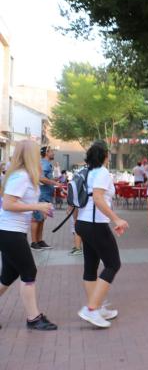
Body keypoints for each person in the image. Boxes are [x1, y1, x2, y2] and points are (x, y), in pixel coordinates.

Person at [0, 140, 58, 330]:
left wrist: (42, 207)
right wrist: (37, 206)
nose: (39, 155)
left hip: (13, 231)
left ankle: (34, 318)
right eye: (36, 152)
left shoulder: (24, 175)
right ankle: (33, 318)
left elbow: (15, 202)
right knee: (28, 271)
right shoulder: (21, 176)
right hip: (9, 232)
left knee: (9, 274)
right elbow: (8, 204)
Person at [76, 141, 128, 328]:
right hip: (95, 224)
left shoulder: (87, 171)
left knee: (91, 266)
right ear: (106, 155)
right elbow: (98, 198)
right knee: (113, 264)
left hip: (83, 223)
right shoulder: (103, 172)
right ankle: (91, 309)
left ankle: (95, 307)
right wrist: (117, 219)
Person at [31, 146, 61, 251]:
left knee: (42, 219)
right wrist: (55, 182)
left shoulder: (46, 164)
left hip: (46, 196)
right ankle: (34, 242)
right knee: (36, 219)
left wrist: (54, 180)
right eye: (52, 151)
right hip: (41, 195)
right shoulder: (43, 163)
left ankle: (39, 241)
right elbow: (41, 178)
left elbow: (46, 178)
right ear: (46, 153)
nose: (53, 153)